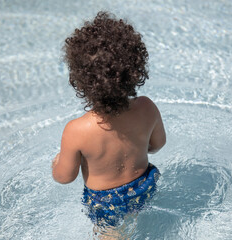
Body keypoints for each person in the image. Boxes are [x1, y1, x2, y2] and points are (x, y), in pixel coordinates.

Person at [52, 11, 166, 227]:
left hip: (106, 202)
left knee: (111, 233)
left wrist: (56, 163)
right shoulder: (147, 107)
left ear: (80, 80)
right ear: (135, 70)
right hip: (145, 185)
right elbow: (157, 145)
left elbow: (64, 177)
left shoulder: (77, 130)